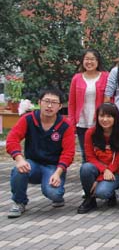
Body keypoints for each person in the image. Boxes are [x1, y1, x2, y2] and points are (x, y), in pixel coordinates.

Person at [6, 88, 75, 218]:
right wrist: (19, 159)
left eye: (54, 103)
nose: (49, 106)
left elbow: (68, 152)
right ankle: (19, 202)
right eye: (46, 101)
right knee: (18, 170)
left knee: (54, 193)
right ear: (39, 102)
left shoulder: (65, 125)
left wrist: (58, 173)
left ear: (60, 106)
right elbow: (12, 139)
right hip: (33, 164)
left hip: (53, 167)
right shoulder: (28, 119)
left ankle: (58, 195)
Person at [77, 103, 119, 213]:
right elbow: (90, 157)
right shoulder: (90, 133)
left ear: (115, 118)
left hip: (115, 171)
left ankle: (111, 193)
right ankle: (89, 199)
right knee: (86, 168)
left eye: (109, 116)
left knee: (102, 192)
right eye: (102, 116)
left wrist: (100, 178)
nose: (105, 119)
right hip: (98, 169)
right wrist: (104, 171)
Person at [68, 49, 109, 161]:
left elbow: (110, 99)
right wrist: (72, 123)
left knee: (102, 153)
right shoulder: (76, 78)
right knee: (86, 154)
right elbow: (72, 103)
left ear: (98, 61)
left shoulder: (106, 76)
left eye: (92, 59)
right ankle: (87, 171)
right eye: (86, 59)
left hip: (101, 122)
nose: (89, 62)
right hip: (82, 122)